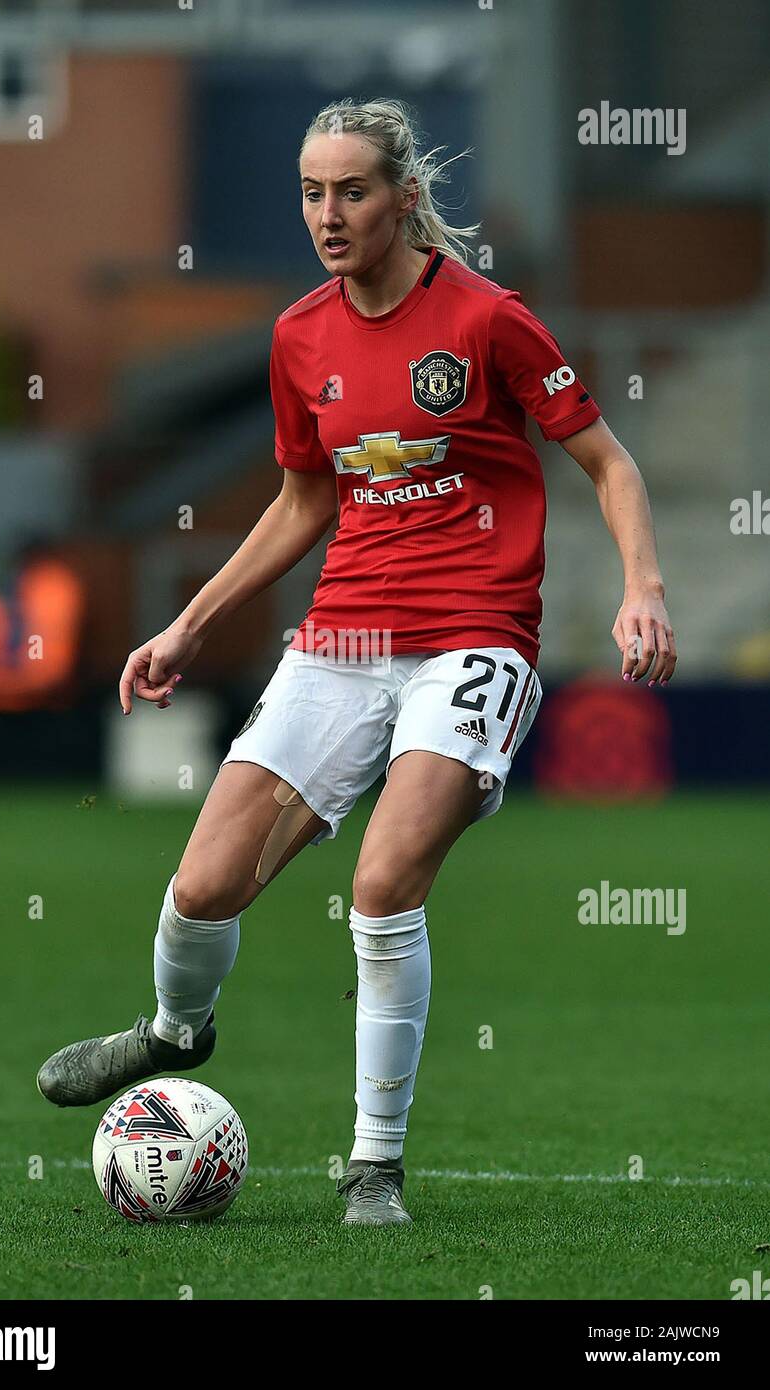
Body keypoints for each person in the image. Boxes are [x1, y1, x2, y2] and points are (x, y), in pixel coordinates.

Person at [37, 98, 677, 1226]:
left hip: (474, 638)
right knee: (201, 890)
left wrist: (641, 588)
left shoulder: (487, 321)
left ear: (404, 198)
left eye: (351, 191)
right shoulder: (298, 337)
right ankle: (176, 1031)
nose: (326, 215)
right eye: (309, 192)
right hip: (341, 640)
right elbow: (302, 501)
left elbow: (606, 461)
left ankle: (372, 1166)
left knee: (382, 887)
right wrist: (190, 622)